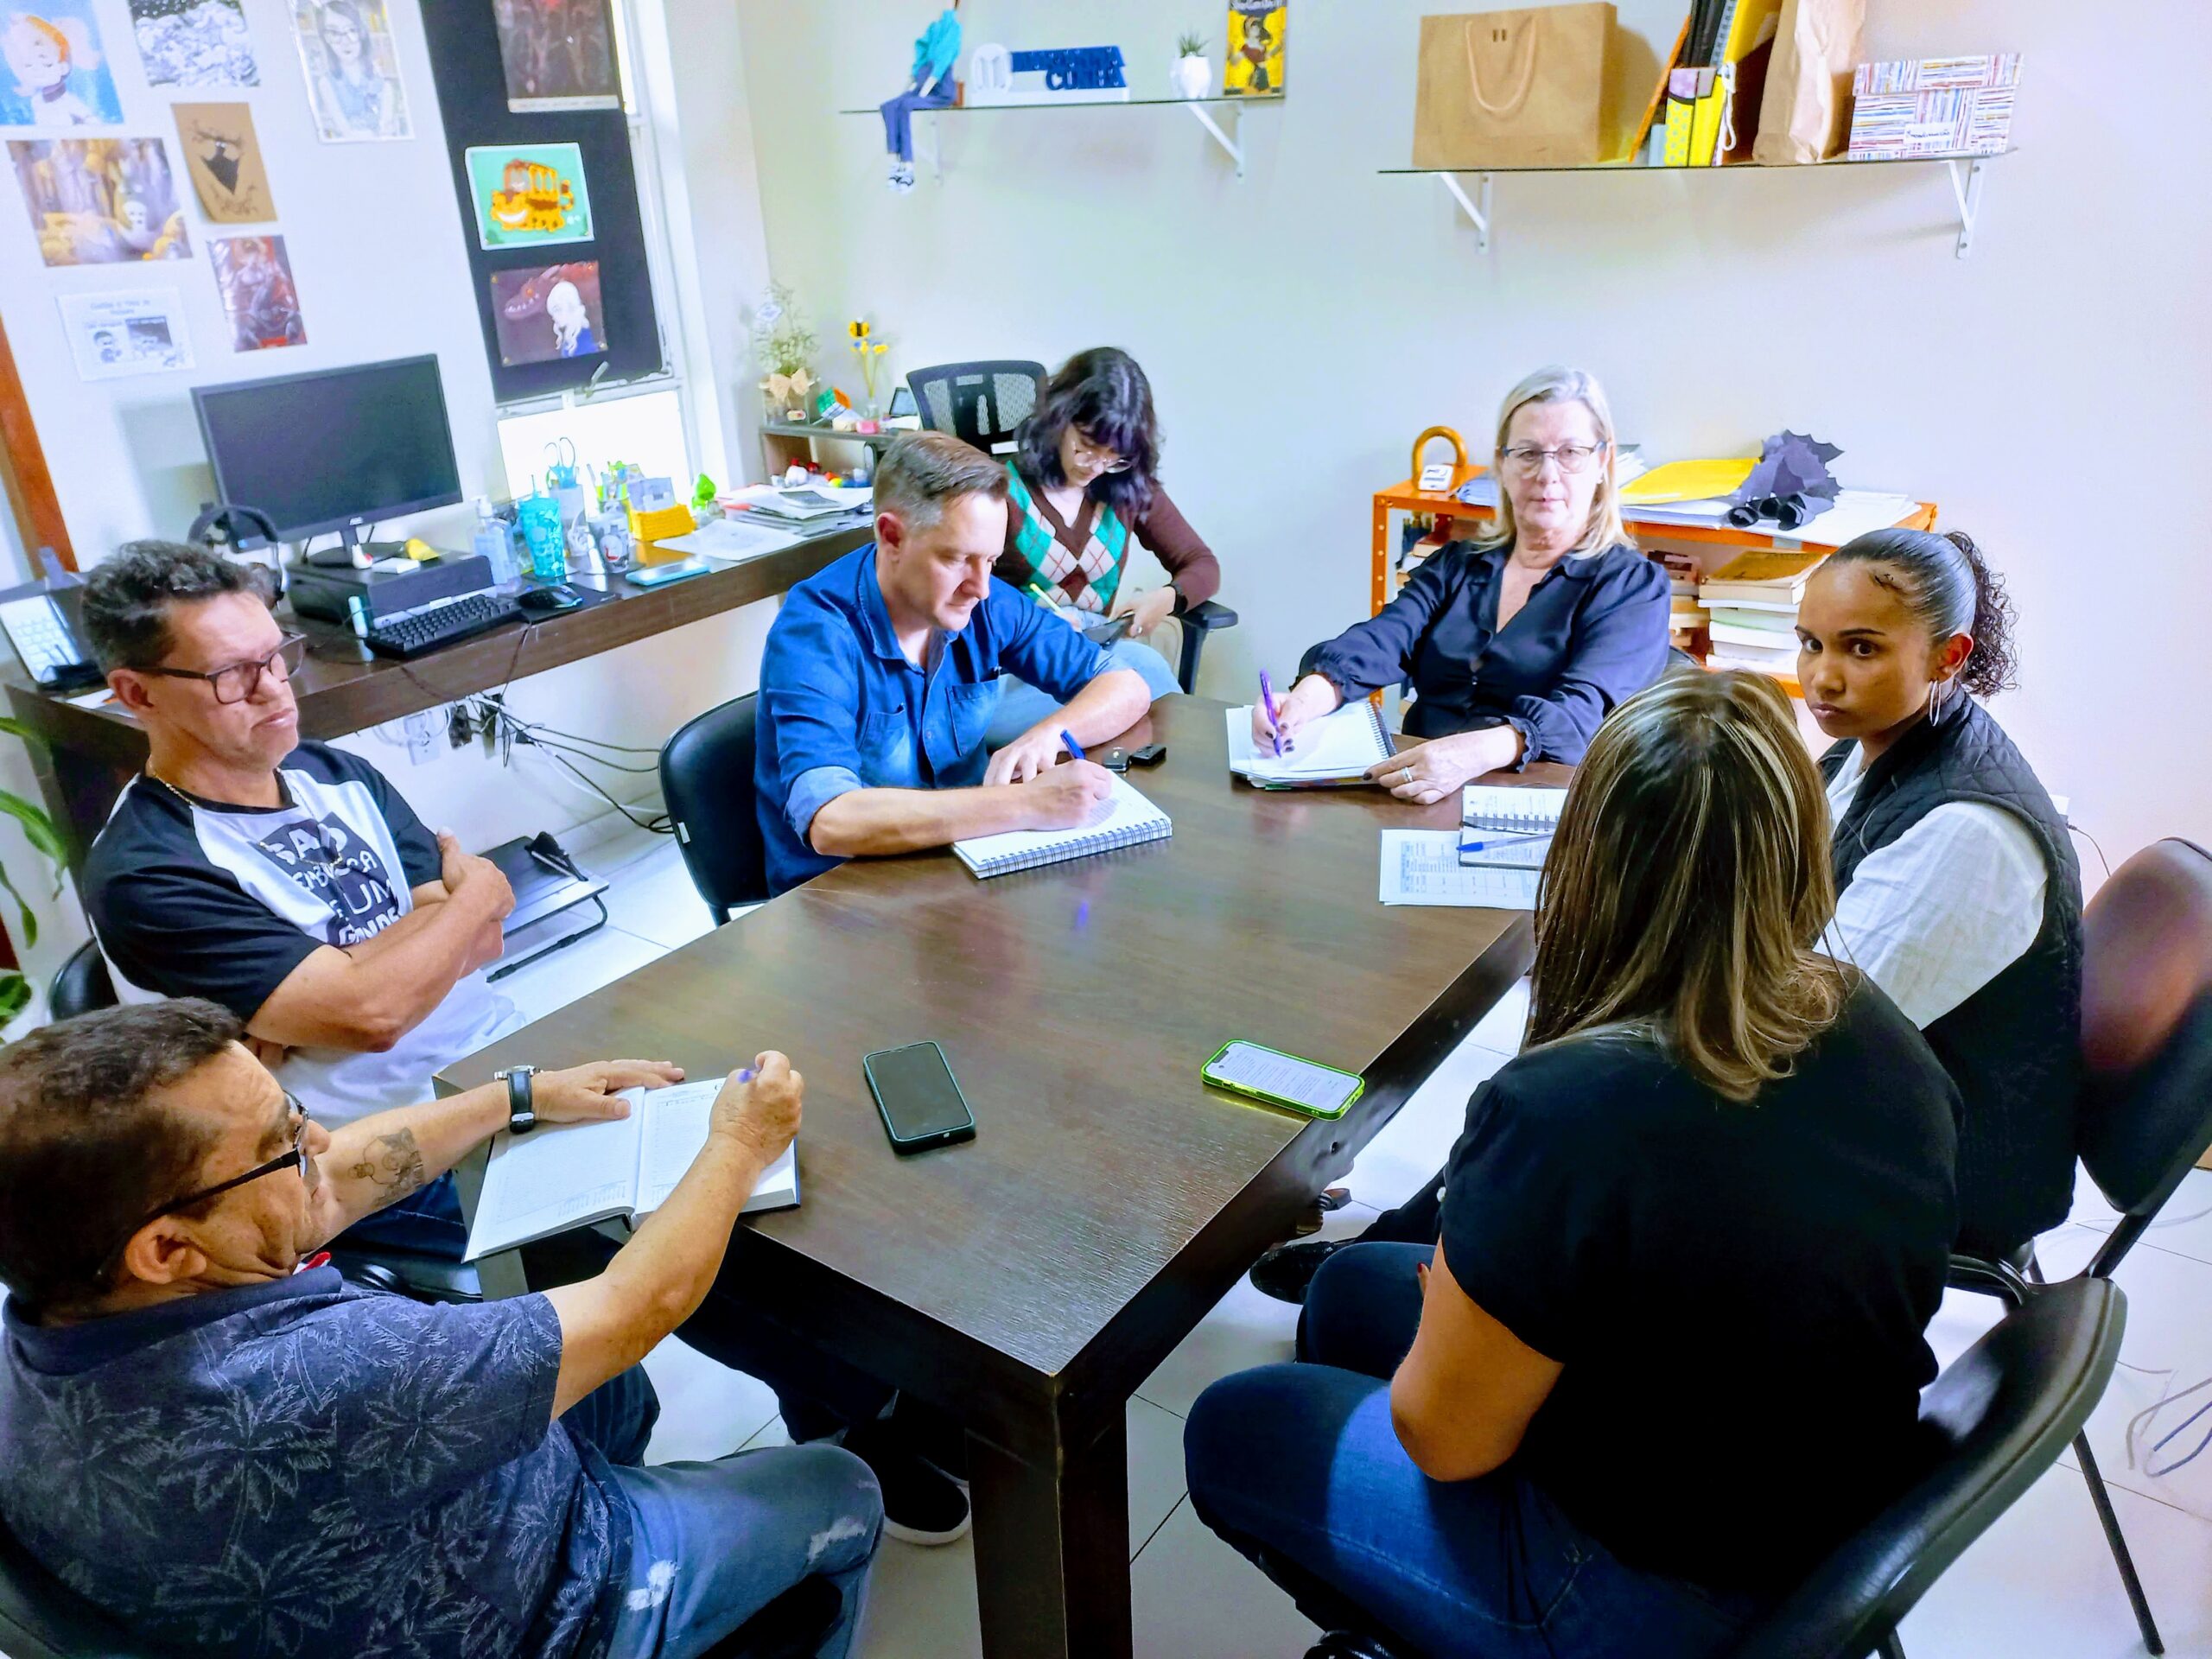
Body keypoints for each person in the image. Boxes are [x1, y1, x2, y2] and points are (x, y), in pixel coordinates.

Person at [1184, 671, 1960, 1658]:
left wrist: (1464, 1297)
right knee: (1345, 1293)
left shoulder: (1566, 1107)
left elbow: (1444, 1440)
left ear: (1590, 855)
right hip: (1811, 1511)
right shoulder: (1873, 1024)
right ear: (1797, 845)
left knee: (1236, 1426)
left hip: (1663, 1590)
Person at [0, 999, 880, 1659]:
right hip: (532, 1614)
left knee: (611, 1391)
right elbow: (634, 1308)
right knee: (841, 1485)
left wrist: (516, 1097)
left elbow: (341, 1177)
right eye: (285, 1145)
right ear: (166, 1248)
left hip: (348, 1563)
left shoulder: (54, 1310)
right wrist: (738, 1142)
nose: (322, 1143)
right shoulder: (318, 1379)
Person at [79, 540, 521, 1259]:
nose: (274, 688)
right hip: (366, 1160)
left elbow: (484, 943)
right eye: (231, 674)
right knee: (638, 1243)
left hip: (501, 1053)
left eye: (277, 655)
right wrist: (472, 896)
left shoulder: (333, 773)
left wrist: (340, 984)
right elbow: (376, 1015)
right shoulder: (148, 869)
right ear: (137, 693)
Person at [1797, 527, 2081, 1259]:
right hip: (1877, 1098)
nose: (1822, 678)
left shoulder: (1967, 831)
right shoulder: (1867, 748)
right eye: (1811, 643)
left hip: (1946, 1166)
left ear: (1948, 656)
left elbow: (1810, 1036)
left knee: (1590, 1144)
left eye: (1861, 649)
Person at [755, 430, 1152, 897]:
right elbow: (831, 820)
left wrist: (1047, 736)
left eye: (991, 560)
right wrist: (1023, 803)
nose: (981, 587)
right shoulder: (816, 635)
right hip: (843, 897)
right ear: (891, 536)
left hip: (961, 869)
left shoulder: (982, 602)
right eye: (958, 559)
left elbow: (1125, 684)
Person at [1257, 365, 1669, 800]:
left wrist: (1474, 752)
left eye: (1570, 453)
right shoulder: (1458, 564)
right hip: (1415, 789)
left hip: (1536, 807)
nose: (1547, 475)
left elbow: (1582, 714)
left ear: (1602, 464)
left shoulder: (1633, 588)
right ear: (1502, 465)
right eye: (1528, 453)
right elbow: (1385, 638)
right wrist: (1308, 697)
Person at [986, 347, 1211, 743]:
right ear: (1059, 418)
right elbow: (959, 596)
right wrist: (1037, 628)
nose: (1095, 466)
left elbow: (1201, 564)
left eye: (1114, 457)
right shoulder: (1001, 491)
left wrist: (1165, 599)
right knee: (1138, 688)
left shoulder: (1125, 489)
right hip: (1010, 668)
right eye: (1086, 447)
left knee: (1144, 670)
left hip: (1091, 655)